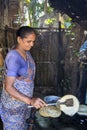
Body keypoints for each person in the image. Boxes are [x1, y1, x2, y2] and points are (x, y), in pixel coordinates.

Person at [0, 26, 47, 130]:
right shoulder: (14, 57)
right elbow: (8, 87)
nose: (32, 44)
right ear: (19, 39)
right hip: (13, 106)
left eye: (33, 41)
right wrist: (30, 101)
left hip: (23, 103)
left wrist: (29, 100)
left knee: (23, 125)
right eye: (28, 41)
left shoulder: (26, 52)